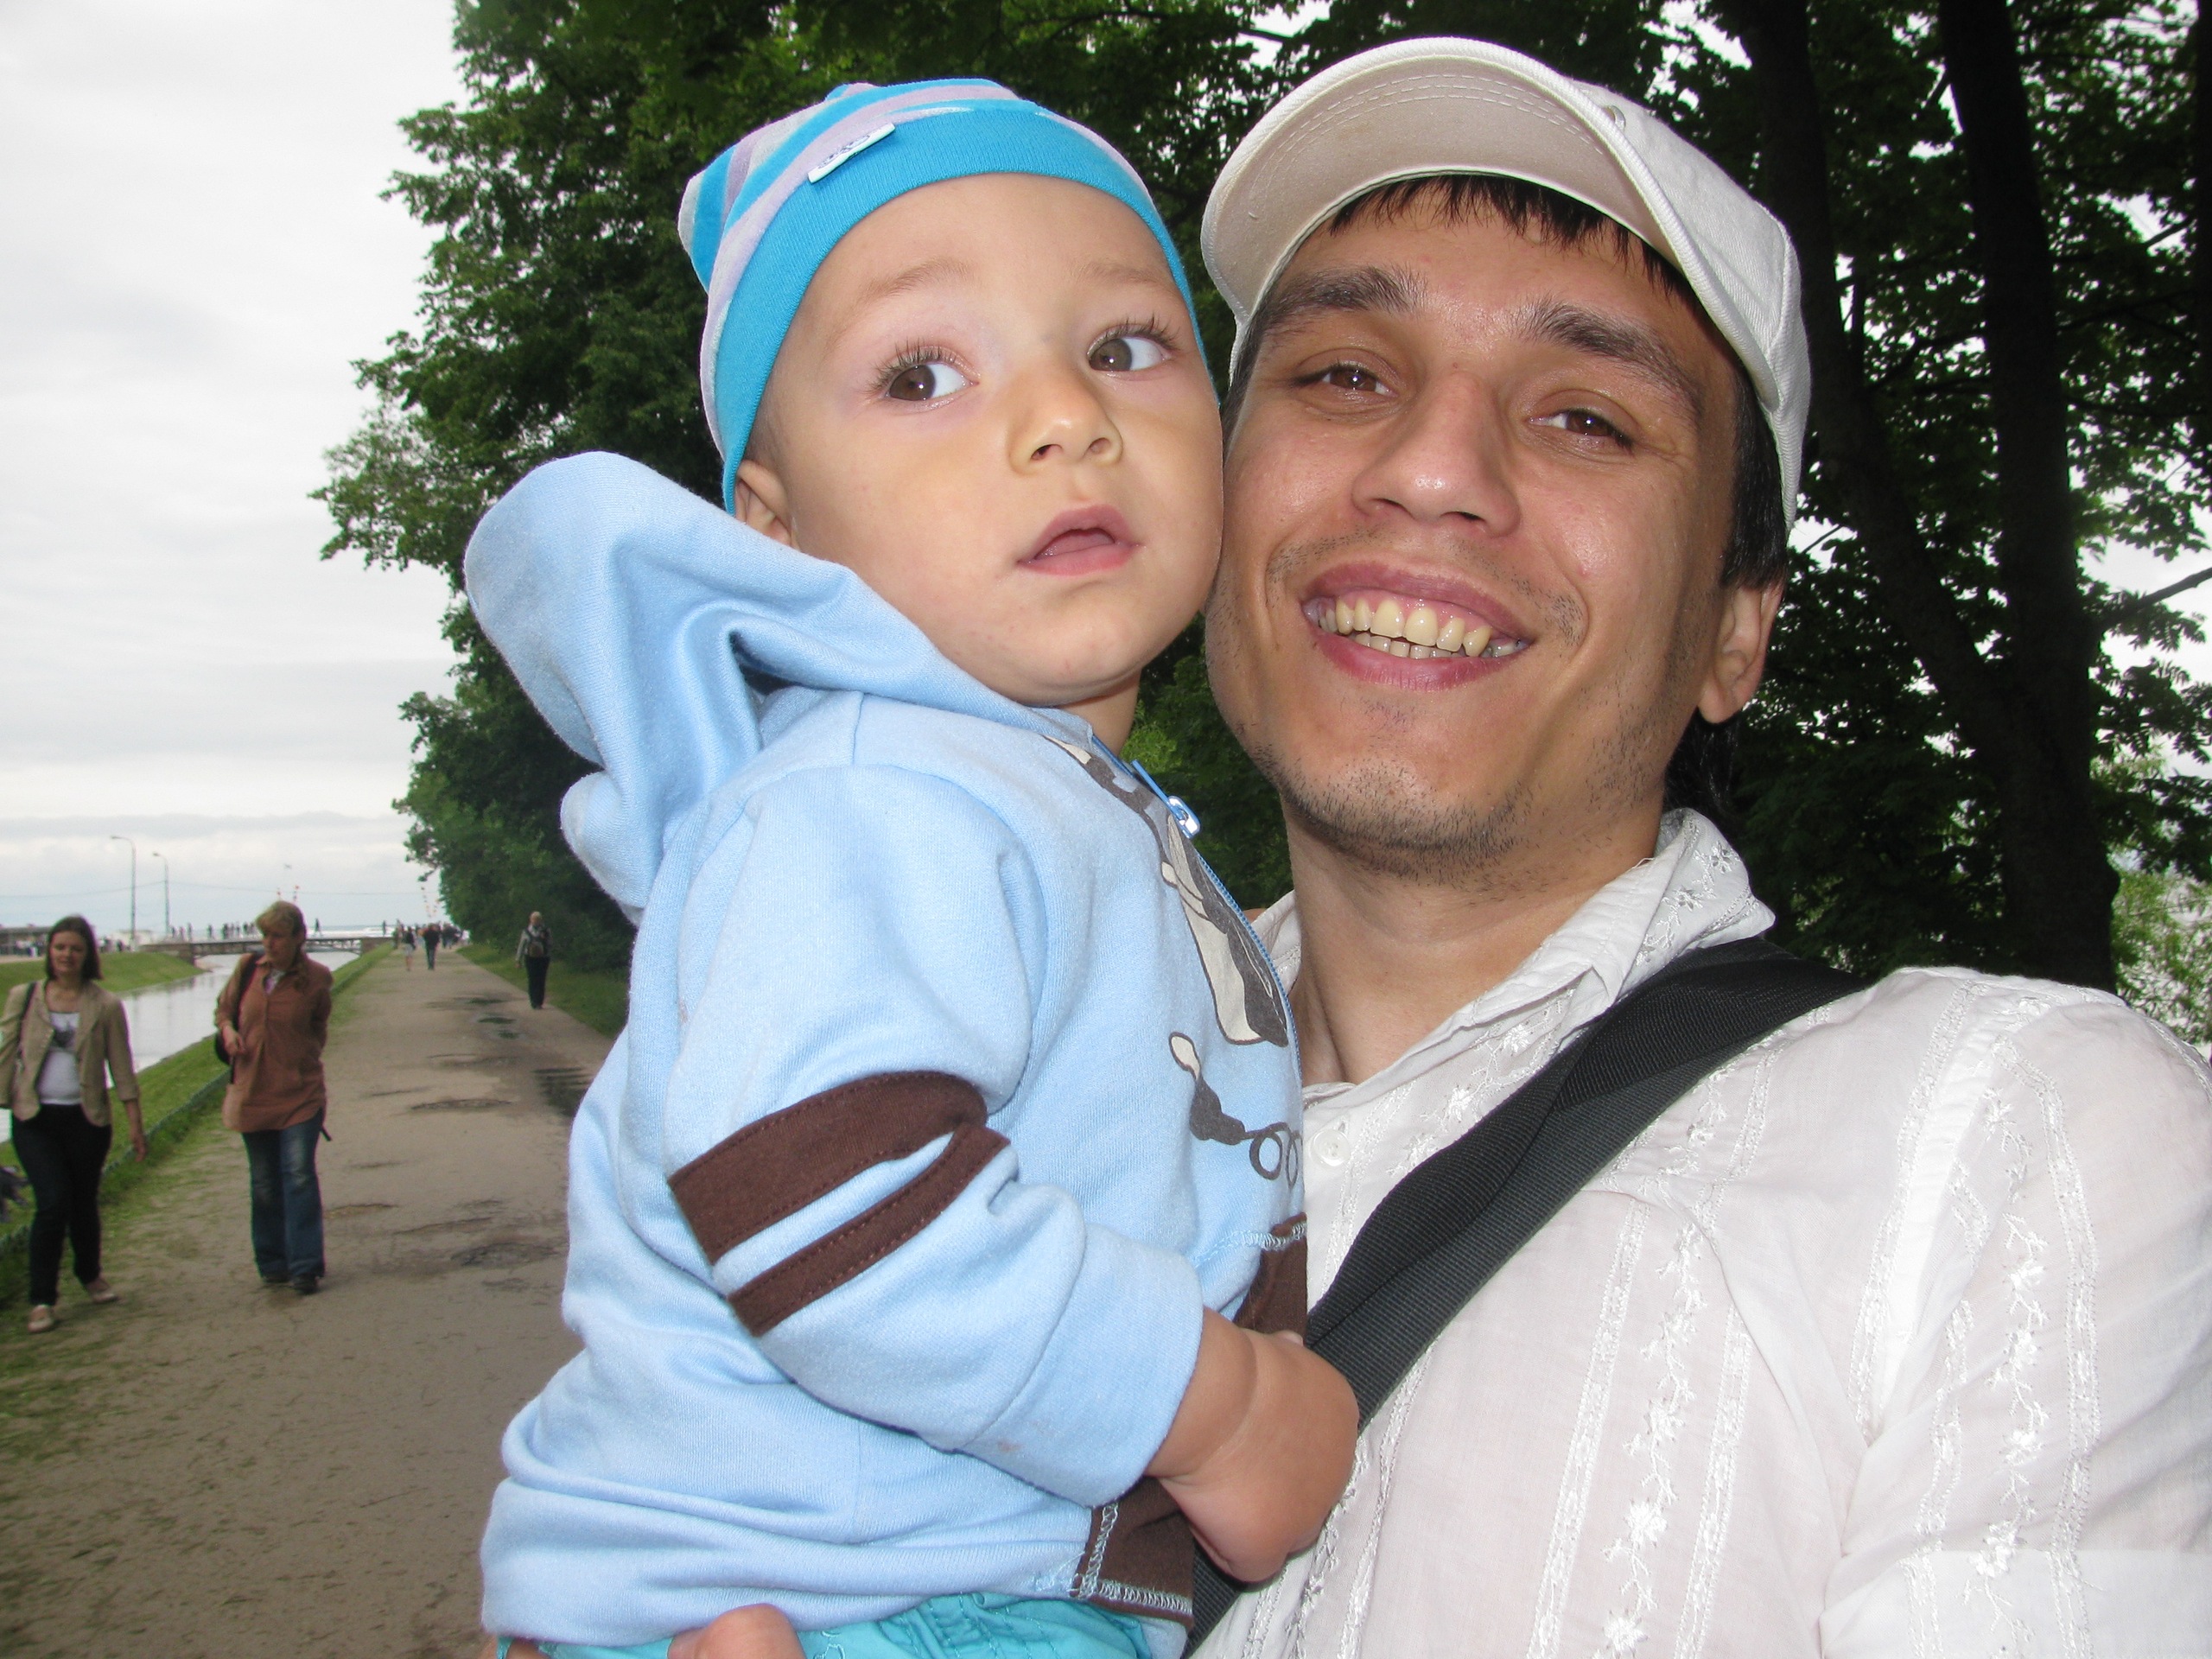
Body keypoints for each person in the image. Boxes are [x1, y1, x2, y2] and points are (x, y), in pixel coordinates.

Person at [1173, 37, 2212, 1656]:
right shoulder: (977, 1095)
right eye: (1345, 377)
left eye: (1587, 416)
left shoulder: (2005, 1142)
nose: (1432, 469)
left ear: (1738, 632)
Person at [470, 78, 1355, 1659]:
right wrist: (1214, 1410)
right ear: (776, 529)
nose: (1065, 415)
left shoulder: (1025, 793)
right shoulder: (875, 794)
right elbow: (824, 1190)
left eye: (1125, 345)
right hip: (868, 1592)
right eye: (922, 373)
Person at [0, 915, 146, 1334]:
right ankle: (42, 1298)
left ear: (88, 955)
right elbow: (5, 1052)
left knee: (83, 1201)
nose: (67, 955)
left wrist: (135, 1125)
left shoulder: (105, 1005)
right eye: (60, 947)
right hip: (35, 1118)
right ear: (49, 951)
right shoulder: (25, 997)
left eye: (75, 949)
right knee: (52, 1201)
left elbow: (122, 1067)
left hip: (87, 1119)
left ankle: (90, 1274)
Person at [216, 901, 334, 1296]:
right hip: (253, 1093)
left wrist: (298, 1058)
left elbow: (319, 1027)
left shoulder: (317, 978)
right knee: (265, 1182)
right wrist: (229, 1032)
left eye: (278, 936)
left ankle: (305, 1266)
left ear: (299, 938)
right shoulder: (248, 969)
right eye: (265, 935)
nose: (270, 943)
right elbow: (224, 1011)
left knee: (298, 1175)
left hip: (300, 1093)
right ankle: (272, 1263)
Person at [516, 912, 552, 1010]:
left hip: (543, 958)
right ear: (531, 920)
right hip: (530, 958)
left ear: (540, 920)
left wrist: (545, 939)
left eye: (537, 919)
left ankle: (539, 1002)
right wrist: (518, 960)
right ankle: (533, 1001)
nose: (536, 921)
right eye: (534, 919)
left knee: (541, 979)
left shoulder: (546, 930)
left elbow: (550, 944)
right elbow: (521, 946)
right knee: (532, 979)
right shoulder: (526, 931)